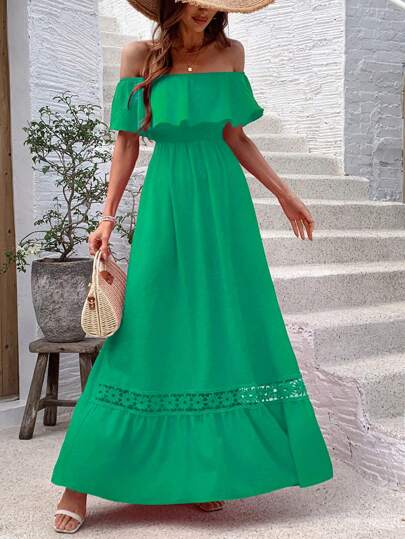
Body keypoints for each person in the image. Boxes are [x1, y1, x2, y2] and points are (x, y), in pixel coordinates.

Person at [52, 0, 333, 533]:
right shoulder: (139, 55)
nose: (205, 8)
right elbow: (126, 143)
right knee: (143, 331)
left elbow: (235, 136)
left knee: (219, 330)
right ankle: (78, 482)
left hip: (224, 205)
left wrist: (284, 194)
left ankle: (205, 471)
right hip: (168, 199)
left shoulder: (231, 53)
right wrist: (107, 218)